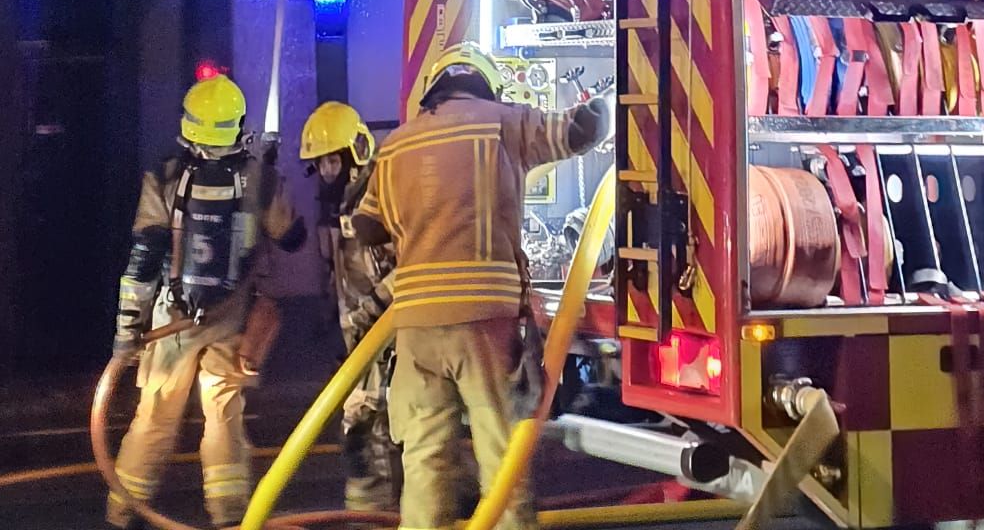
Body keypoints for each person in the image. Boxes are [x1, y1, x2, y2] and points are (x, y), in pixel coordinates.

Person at [351, 45, 609, 530]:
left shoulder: (398, 143)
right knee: (501, 456)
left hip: (416, 328)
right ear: (486, 85)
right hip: (485, 324)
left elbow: (366, 226)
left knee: (425, 458)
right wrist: (620, 100)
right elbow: (581, 130)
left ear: (434, 86)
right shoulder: (502, 121)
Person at [109, 72, 307, 529]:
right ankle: (231, 516)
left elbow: (143, 257)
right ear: (237, 125)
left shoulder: (164, 176)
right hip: (232, 318)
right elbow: (293, 238)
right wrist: (272, 174)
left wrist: (127, 333)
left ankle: (123, 514)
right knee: (223, 417)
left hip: (172, 319)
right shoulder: (258, 178)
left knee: (155, 418)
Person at [299, 100, 399, 511]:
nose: (325, 172)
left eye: (331, 162)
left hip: (393, 335)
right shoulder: (343, 207)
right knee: (379, 432)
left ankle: (375, 514)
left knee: (372, 428)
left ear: (353, 154)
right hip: (362, 341)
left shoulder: (382, 198)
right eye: (320, 164)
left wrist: (373, 307)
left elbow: (413, 264)